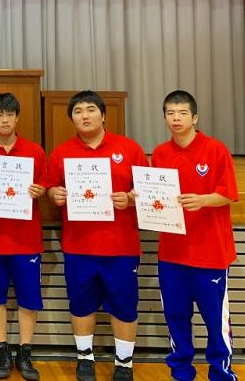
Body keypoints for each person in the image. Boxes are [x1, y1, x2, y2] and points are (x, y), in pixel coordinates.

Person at [45, 90, 148, 381]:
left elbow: (148, 189)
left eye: (91, 109)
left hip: (121, 246)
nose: (85, 116)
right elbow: (50, 187)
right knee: (81, 304)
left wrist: (130, 198)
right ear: (72, 119)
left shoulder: (129, 148)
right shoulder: (62, 153)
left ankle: (124, 363)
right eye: (78, 111)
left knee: (124, 306)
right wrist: (55, 194)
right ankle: (85, 358)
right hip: (78, 246)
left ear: (103, 115)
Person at [151, 90, 238, 381]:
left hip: (209, 253)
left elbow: (228, 194)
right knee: (176, 317)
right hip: (172, 253)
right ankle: (181, 371)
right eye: (170, 113)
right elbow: (157, 196)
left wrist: (203, 200)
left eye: (182, 113)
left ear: (195, 118)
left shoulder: (216, 150)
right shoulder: (160, 153)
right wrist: (144, 197)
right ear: (165, 118)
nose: (176, 118)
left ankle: (221, 372)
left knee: (215, 320)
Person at [0, 93, 46, 381]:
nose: (4, 120)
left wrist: (40, 190)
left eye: (9, 114)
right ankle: (2, 350)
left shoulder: (35, 151)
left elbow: (46, 185)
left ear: (17, 117)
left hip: (26, 239)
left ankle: (25, 351)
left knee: (29, 298)